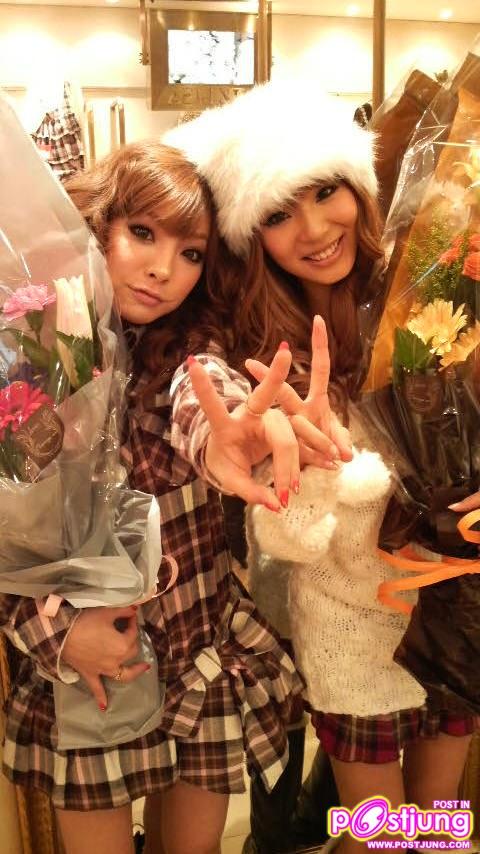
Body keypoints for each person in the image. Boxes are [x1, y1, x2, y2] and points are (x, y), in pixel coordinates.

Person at [0, 139, 344, 854]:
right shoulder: (29, 360)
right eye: (142, 233)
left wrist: (231, 440)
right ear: (97, 228)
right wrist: (52, 633)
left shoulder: (192, 348)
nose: (163, 269)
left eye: (191, 253)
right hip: (89, 674)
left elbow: (205, 395)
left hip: (198, 657)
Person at [164, 80, 479, 853]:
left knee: (434, 829)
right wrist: (294, 464)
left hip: (454, 609)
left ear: (359, 190)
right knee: (382, 839)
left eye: (325, 192)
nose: (312, 229)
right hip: (348, 632)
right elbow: (215, 419)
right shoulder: (247, 340)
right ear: (250, 235)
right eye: (277, 214)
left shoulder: (430, 293)